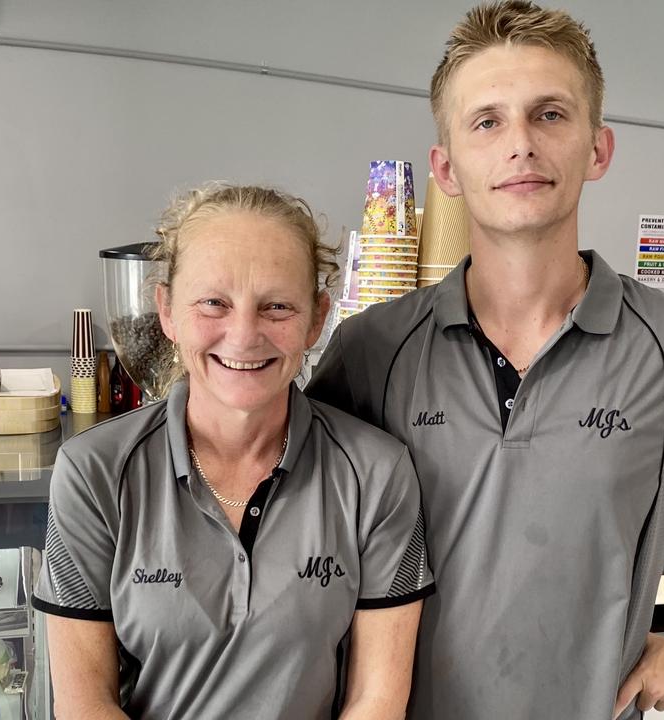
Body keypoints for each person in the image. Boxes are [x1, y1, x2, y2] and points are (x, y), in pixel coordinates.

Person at [307, 3, 664, 718]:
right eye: (487, 121)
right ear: (446, 167)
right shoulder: (371, 350)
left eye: (550, 115)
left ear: (598, 150)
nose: (521, 145)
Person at [33, 184, 434, 719]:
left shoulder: (377, 474)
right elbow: (86, 705)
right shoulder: (94, 472)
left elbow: (376, 700)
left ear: (317, 318)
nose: (244, 336)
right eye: (214, 303)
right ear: (168, 311)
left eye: (276, 307)